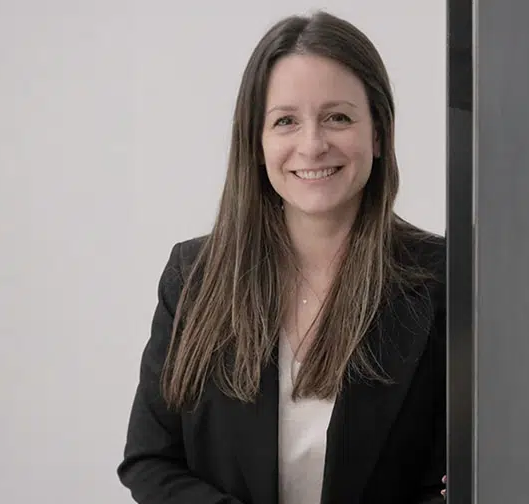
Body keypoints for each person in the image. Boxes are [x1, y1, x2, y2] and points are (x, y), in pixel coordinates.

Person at [117, 11, 446, 504]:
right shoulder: (193, 277)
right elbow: (150, 461)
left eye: (338, 117)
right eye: (286, 121)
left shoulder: (444, 279)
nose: (312, 145)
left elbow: (452, 480)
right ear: (257, 142)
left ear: (378, 135)